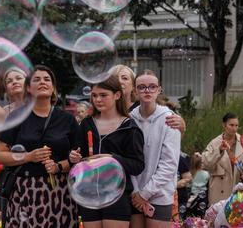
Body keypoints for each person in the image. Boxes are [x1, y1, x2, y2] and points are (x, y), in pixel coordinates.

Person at [0, 65, 78, 227]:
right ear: (28, 88)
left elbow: (78, 159)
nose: (42, 82)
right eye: (37, 79)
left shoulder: (67, 119)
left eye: (47, 79)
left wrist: (58, 166)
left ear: (53, 88)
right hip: (25, 190)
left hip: (59, 192)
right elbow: (0, 155)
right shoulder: (17, 117)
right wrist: (28, 157)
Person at [69, 74, 145, 228]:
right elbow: (78, 157)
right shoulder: (86, 124)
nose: (98, 100)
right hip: (88, 194)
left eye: (103, 95)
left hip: (117, 195)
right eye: (94, 95)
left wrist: (112, 158)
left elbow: (137, 165)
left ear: (117, 95)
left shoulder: (129, 127)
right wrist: (74, 157)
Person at [129, 70, 181, 227]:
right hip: (134, 193)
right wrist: (136, 192)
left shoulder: (169, 119)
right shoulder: (129, 119)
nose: (147, 90)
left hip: (159, 194)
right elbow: (127, 158)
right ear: (135, 91)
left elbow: (170, 164)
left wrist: (145, 193)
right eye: (142, 87)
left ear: (159, 90)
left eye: (152, 87)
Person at [202, 112, 243, 205]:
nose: (234, 128)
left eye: (236, 125)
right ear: (224, 125)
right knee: (219, 217)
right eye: (231, 125)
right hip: (219, 190)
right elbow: (206, 164)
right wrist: (219, 151)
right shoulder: (214, 143)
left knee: (237, 217)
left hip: (239, 190)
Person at [110, 65, 186, 133]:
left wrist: (181, 126)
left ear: (134, 86)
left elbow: (173, 134)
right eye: (115, 78)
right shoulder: (105, 110)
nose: (120, 81)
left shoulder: (144, 105)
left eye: (125, 78)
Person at [186, 152, 209, 218]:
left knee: (192, 213)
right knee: (200, 215)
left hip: (192, 196)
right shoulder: (206, 173)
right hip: (202, 197)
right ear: (200, 164)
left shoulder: (190, 173)